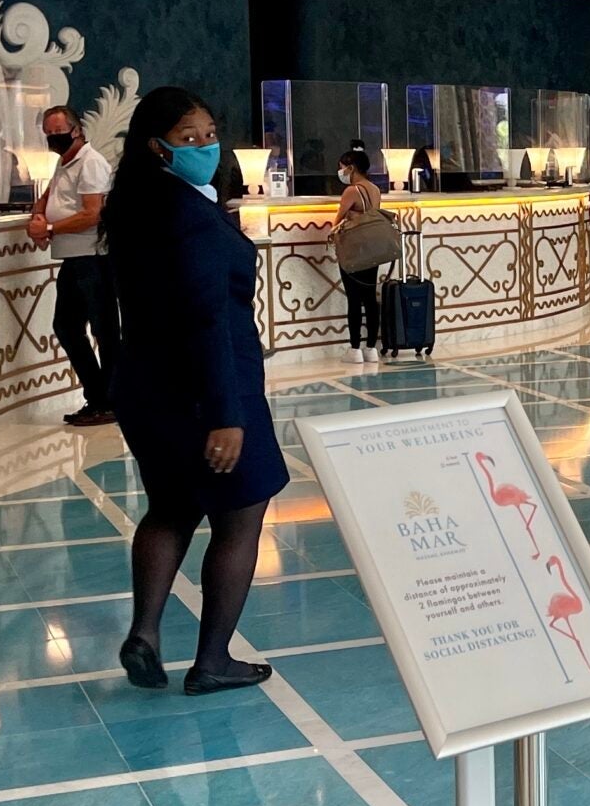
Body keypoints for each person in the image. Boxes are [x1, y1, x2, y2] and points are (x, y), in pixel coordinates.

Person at [103, 86, 289, 697]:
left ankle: (145, 634)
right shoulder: (190, 216)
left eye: (210, 134)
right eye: (190, 138)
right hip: (210, 389)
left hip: (147, 389)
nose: (206, 146)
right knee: (241, 518)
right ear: (158, 147)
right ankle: (213, 660)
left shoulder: (135, 205)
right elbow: (208, 319)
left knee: (171, 507)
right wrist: (226, 416)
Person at [26, 105, 117, 427]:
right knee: (67, 327)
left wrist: (50, 228)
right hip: (74, 257)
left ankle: (110, 400)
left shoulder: (90, 163)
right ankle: (99, 396)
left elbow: (93, 213)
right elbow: (49, 196)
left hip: (93, 257)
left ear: (76, 130)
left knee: (104, 331)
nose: (54, 137)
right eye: (48, 133)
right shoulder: (65, 162)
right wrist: (38, 219)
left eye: (58, 131)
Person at [331, 151, 397, 364]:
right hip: (373, 249)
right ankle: (371, 348)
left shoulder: (352, 191)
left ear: (351, 167)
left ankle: (354, 349)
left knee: (354, 298)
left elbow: (338, 221)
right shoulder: (375, 189)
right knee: (369, 297)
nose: (341, 171)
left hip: (354, 249)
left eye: (342, 167)